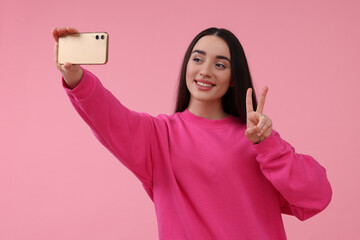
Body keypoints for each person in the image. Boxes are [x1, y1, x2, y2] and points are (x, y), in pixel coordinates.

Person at [52, 27, 332, 240]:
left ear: (234, 77)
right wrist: (75, 76)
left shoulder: (257, 139)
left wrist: (268, 145)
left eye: (220, 64)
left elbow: (317, 196)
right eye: (197, 59)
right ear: (187, 65)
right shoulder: (158, 136)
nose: (205, 71)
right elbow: (108, 117)